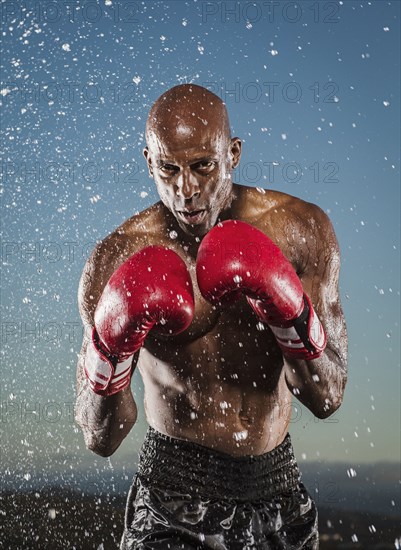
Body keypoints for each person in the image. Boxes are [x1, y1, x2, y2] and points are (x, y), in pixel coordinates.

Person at [75, 84, 348, 549]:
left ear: (233, 154)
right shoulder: (116, 258)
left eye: (203, 166)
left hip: (276, 489)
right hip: (171, 493)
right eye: (168, 169)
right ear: (148, 163)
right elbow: (101, 437)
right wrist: (108, 353)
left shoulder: (302, 230)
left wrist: (291, 314)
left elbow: (327, 395)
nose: (186, 189)